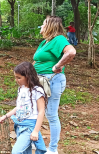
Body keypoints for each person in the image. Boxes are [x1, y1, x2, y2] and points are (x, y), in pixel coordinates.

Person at [33, 16, 76, 154]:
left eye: (44, 23)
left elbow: (71, 52)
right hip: (40, 82)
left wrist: (58, 65)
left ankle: (53, 149)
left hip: (52, 81)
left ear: (50, 25)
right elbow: (37, 60)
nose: (42, 26)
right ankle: (36, 142)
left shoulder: (59, 39)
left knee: (51, 114)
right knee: (36, 111)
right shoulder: (45, 42)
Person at [0, 62, 47, 154]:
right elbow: (19, 108)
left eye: (19, 78)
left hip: (29, 127)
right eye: (15, 77)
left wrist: (36, 131)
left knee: (16, 151)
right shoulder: (21, 89)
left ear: (28, 76)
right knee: (25, 152)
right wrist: (5, 116)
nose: (16, 80)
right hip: (20, 125)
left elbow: (41, 111)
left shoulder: (37, 90)